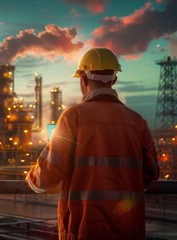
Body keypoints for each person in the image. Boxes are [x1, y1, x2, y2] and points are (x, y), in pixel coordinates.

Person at [25, 47, 160, 239]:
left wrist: (30, 179)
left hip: (85, 228)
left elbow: (46, 176)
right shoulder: (137, 122)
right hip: (129, 229)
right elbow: (151, 174)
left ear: (83, 79)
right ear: (114, 79)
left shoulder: (73, 117)